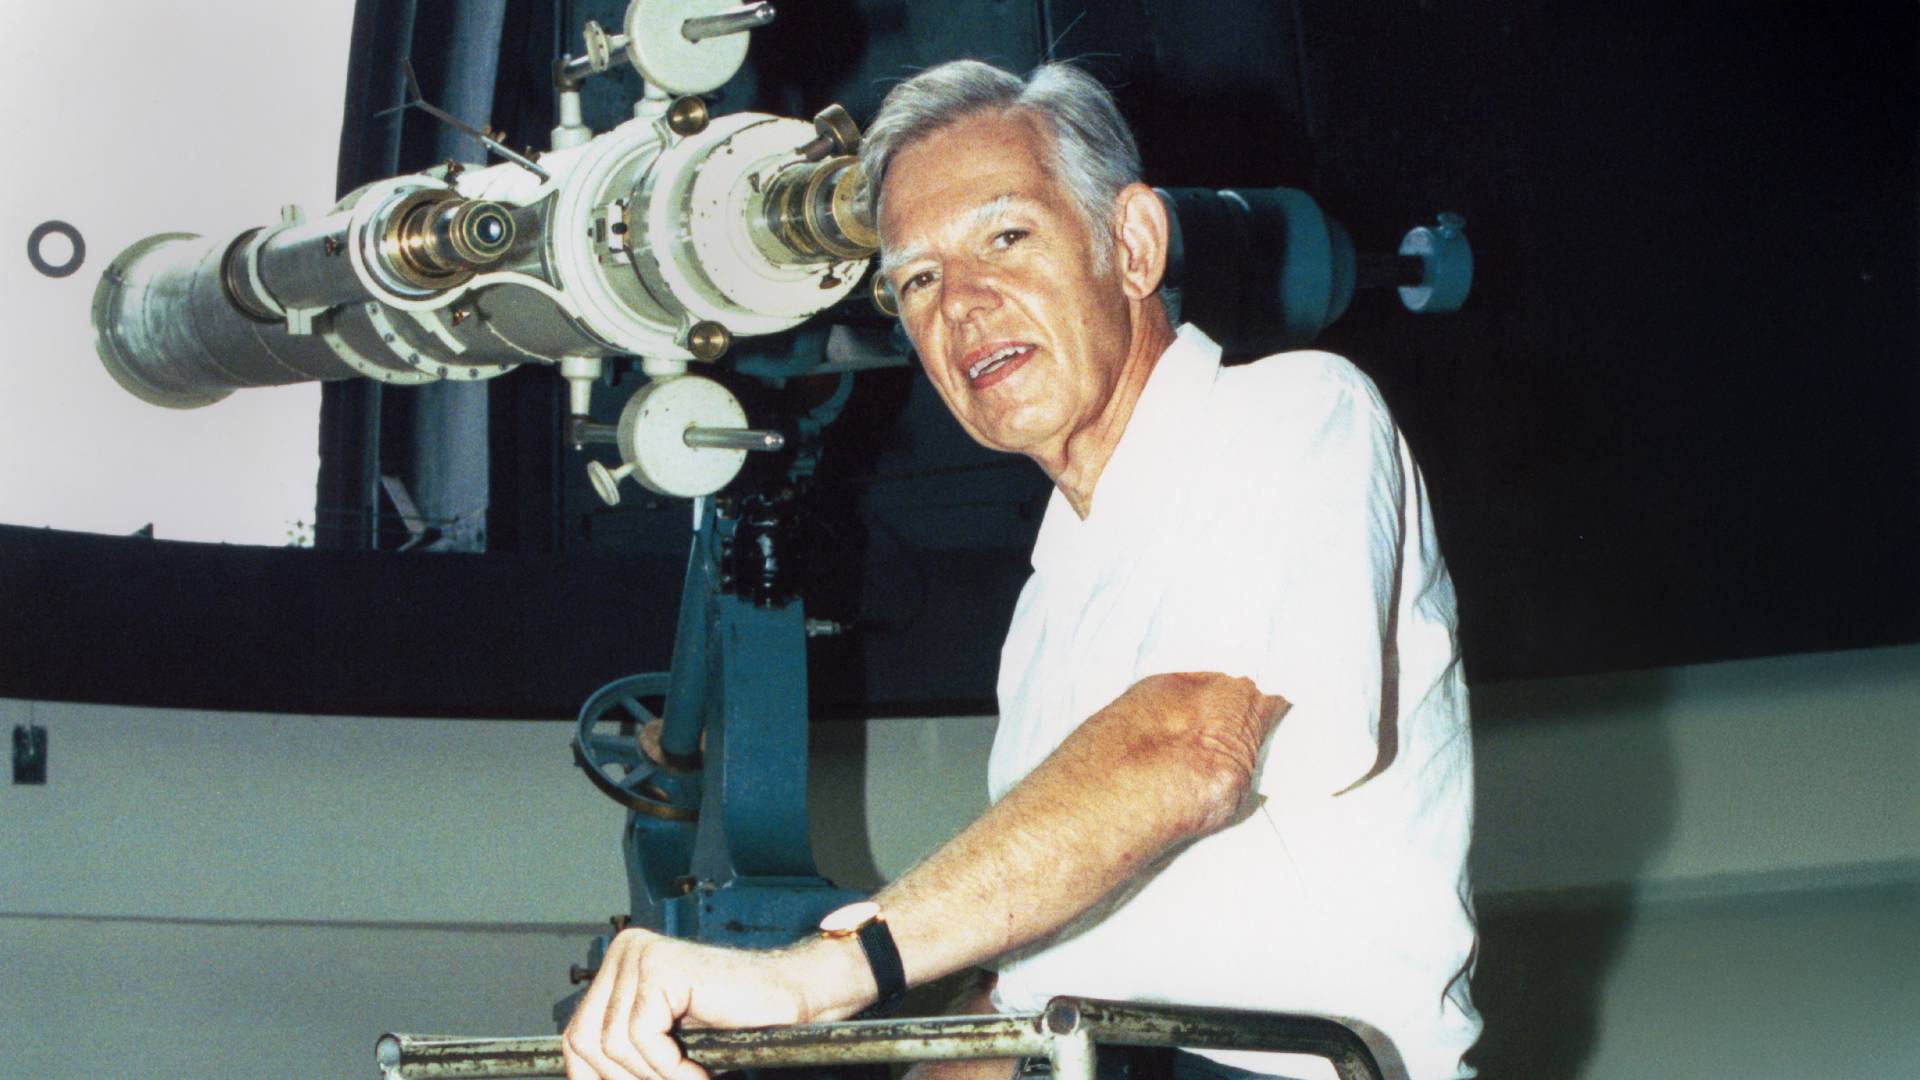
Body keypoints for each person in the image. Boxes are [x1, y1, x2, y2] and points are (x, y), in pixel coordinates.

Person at [563, 60, 1480, 1080]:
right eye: (918, 279)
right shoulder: (1049, 602)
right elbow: (1030, 988)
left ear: (1132, 245)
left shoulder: (1295, 415)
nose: (962, 305)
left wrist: (815, 976)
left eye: (1006, 236)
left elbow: (1194, 744)